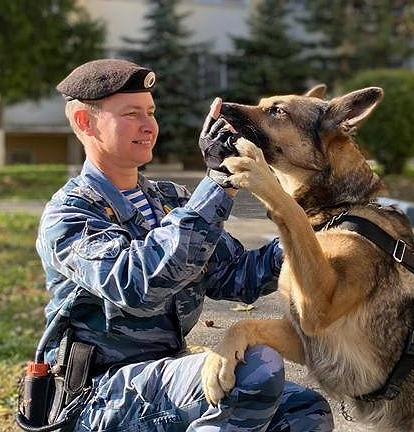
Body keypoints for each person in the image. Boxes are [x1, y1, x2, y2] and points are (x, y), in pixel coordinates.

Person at [31, 58, 333, 431]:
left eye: (151, 112)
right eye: (131, 114)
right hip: (97, 399)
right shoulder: (70, 213)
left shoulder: (170, 199)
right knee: (257, 368)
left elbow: (237, 276)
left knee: (305, 410)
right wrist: (218, 182)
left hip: (166, 386)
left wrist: (309, 230)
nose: (148, 126)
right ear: (84, 122)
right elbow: (140, 284)